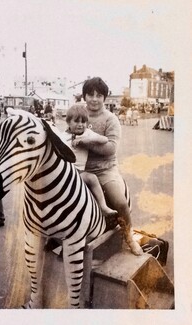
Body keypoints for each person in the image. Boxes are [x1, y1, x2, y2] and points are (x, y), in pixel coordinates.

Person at [81, 77, 143, 255]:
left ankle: (129, 236)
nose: (94, 98)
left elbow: (110, 148)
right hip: (80, 168)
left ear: (104, 98)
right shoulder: (78, 113)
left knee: (120, 201)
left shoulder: (111, 119)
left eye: (98, 95)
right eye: (90, 94)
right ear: (84, 95)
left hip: (104, 169)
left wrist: (86, 142)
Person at [62, 104, 118, 219]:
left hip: (79, 172)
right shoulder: (62, 136)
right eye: (76, 122)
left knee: (92, 178)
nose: (80, 125)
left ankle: (103, 206)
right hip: (65, 170)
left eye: (83, 122)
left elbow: (104, 139)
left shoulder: (87, 133)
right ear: (68, 122)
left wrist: (86, 140)